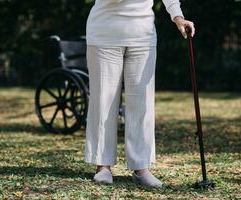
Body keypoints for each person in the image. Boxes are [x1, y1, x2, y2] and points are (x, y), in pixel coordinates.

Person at [84, 0, 195, 188]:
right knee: (104, 102)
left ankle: (141, 167)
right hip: (104, 36)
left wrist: (178, 18)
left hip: (143, 37)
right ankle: (102, 166)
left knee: (142, 104)